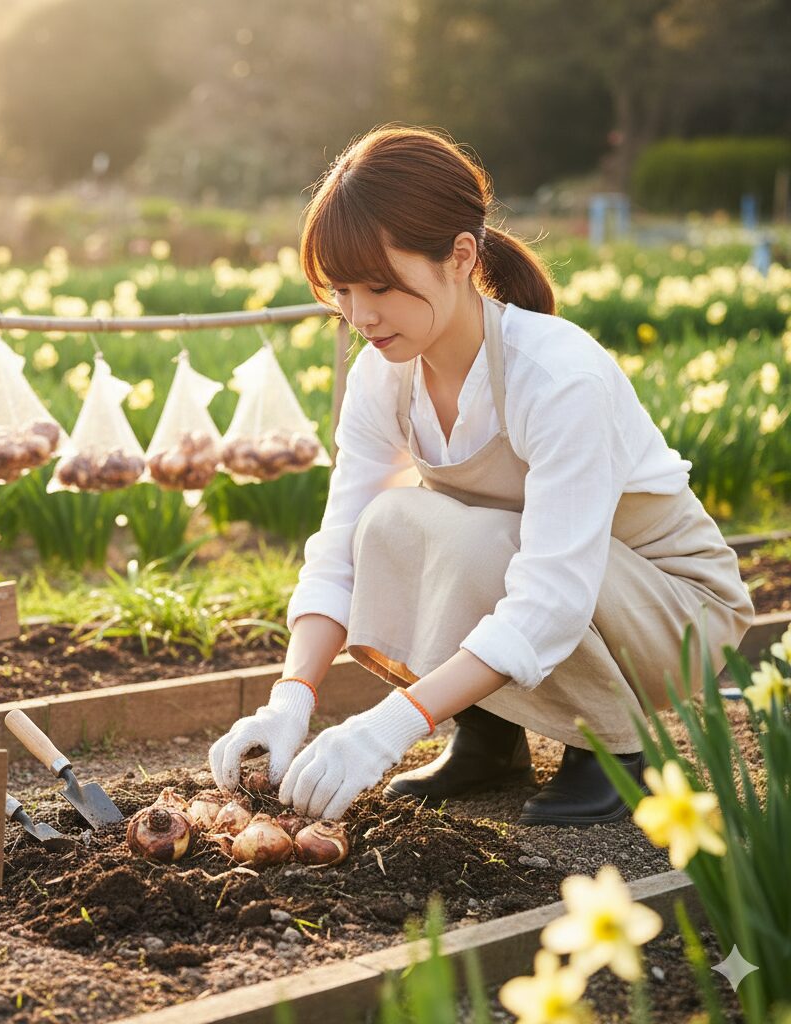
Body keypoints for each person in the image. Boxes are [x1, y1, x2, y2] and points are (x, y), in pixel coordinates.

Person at [208, 125, 754, 826]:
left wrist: (389, 727)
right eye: (341, 289)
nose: (359, 314)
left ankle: (619, 752)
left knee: (486, 547)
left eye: (381, 286)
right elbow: (340, 545)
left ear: (460, 255)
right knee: (388, 524)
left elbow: (552, 595)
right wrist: (290, 698)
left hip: (672, 612)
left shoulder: (555, 375)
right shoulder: (384, 373)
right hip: (570, 591)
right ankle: (491, 739)